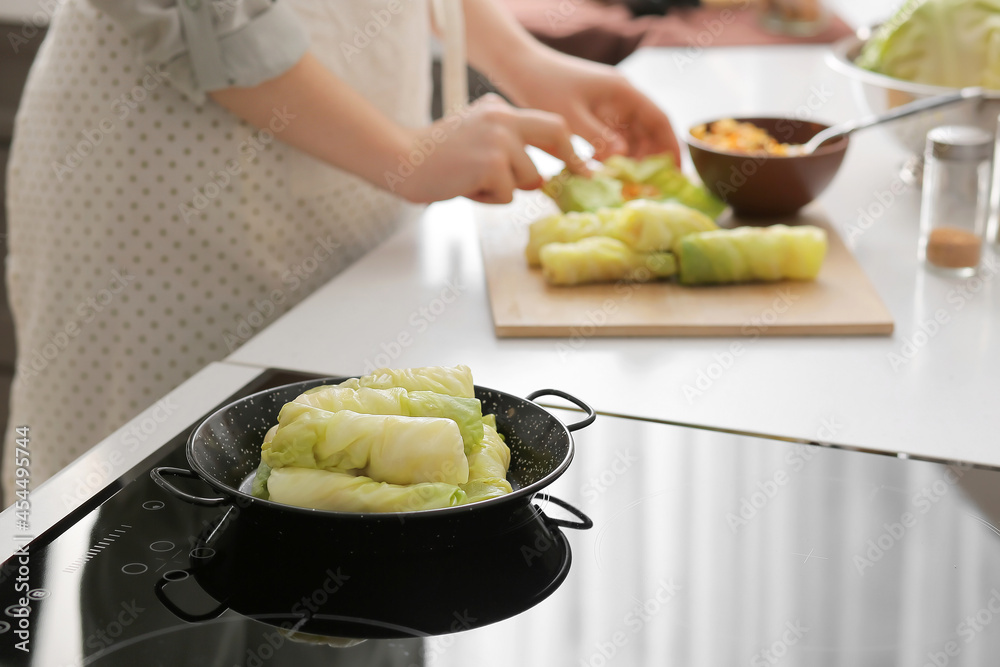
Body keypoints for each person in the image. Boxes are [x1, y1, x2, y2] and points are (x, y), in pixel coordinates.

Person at [2, 0, 680, 505]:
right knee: (163, 521)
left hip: (360, 203)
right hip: (175, 209)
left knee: (358, 526)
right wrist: (399, 155)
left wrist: (523, 61)